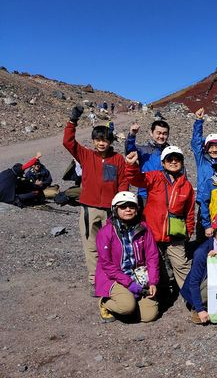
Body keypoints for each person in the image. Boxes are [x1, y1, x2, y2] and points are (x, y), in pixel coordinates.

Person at [63, 105, 128, 295]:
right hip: (89, 209)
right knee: (90, 245)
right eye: (98, 139)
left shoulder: (118, 159)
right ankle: (95, 280)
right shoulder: (86, 155)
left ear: (110, 141)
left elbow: (123, 181)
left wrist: (120, 204)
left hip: (110, 210)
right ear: (93, 141)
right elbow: (68, 142)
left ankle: (111, 277)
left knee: (112, 245)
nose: (101, 143)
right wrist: (72, 121)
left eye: (105, 140)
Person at [124, 146, 195, 292]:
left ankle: (192, 297)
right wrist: (131, 166)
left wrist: (189, 231)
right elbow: (136, 179)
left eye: (177, 159)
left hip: (175, 234)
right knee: (155, 264)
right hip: (152, 232)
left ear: (182, 162)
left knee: (182, 265)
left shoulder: (186, 186)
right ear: (163, 163)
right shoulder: (155, 176)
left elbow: (189, 212)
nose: (173, 162)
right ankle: (159, 293)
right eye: (170, 159)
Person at [95, 191, 159, 323]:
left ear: (137, 209)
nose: (128, 210)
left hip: (139, 276)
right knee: (126, 307)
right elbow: (107, 265)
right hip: (114, 277)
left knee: (149, 316)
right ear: (115, 209)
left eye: (132, 206)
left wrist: (153, 282)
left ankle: (130, 302)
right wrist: (129, 283)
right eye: (123, 207)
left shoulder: (144, 229)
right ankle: (105, 302)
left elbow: (152, 256)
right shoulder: (106, 232)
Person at [180, 212, 217, 324]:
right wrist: (199, 310)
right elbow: (194, 282)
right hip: (197, 289)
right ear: (215, 232)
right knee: (213, 282)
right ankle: (198, 306)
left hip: (216, 286)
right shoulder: (202, 252)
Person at [190, 107, 217, 242]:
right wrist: (198, 121)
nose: (214, 150)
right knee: (203, 233)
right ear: (206, 148)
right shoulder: (202, 160)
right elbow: (196, 143)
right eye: (211, 147)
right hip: (204, 201)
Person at [125, 120, 170, 204]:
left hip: (165, 195)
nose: (161, 136)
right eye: (158, 133)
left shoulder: (171, 153)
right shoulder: (143, 150)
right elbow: (130, 152)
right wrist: (132, 135)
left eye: (164, 134)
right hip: (144, 195)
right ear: (151, 133)